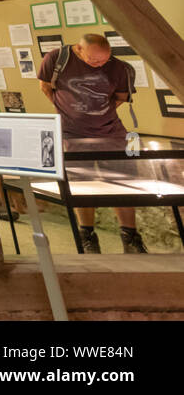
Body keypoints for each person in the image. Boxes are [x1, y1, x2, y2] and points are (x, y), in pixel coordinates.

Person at [37, 33, 145, 253]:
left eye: (104, 61)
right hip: (72, 134)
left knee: (121, 182)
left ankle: (130, 236)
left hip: (111, 132)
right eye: (94, 61)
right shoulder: (58, 59)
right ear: (79, 49)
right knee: (80, 184)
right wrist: (69, 114)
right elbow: (45, 87)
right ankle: (87, 235)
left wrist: (98, 115)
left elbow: (122, 96)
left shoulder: (119, 68)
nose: (99, 65)